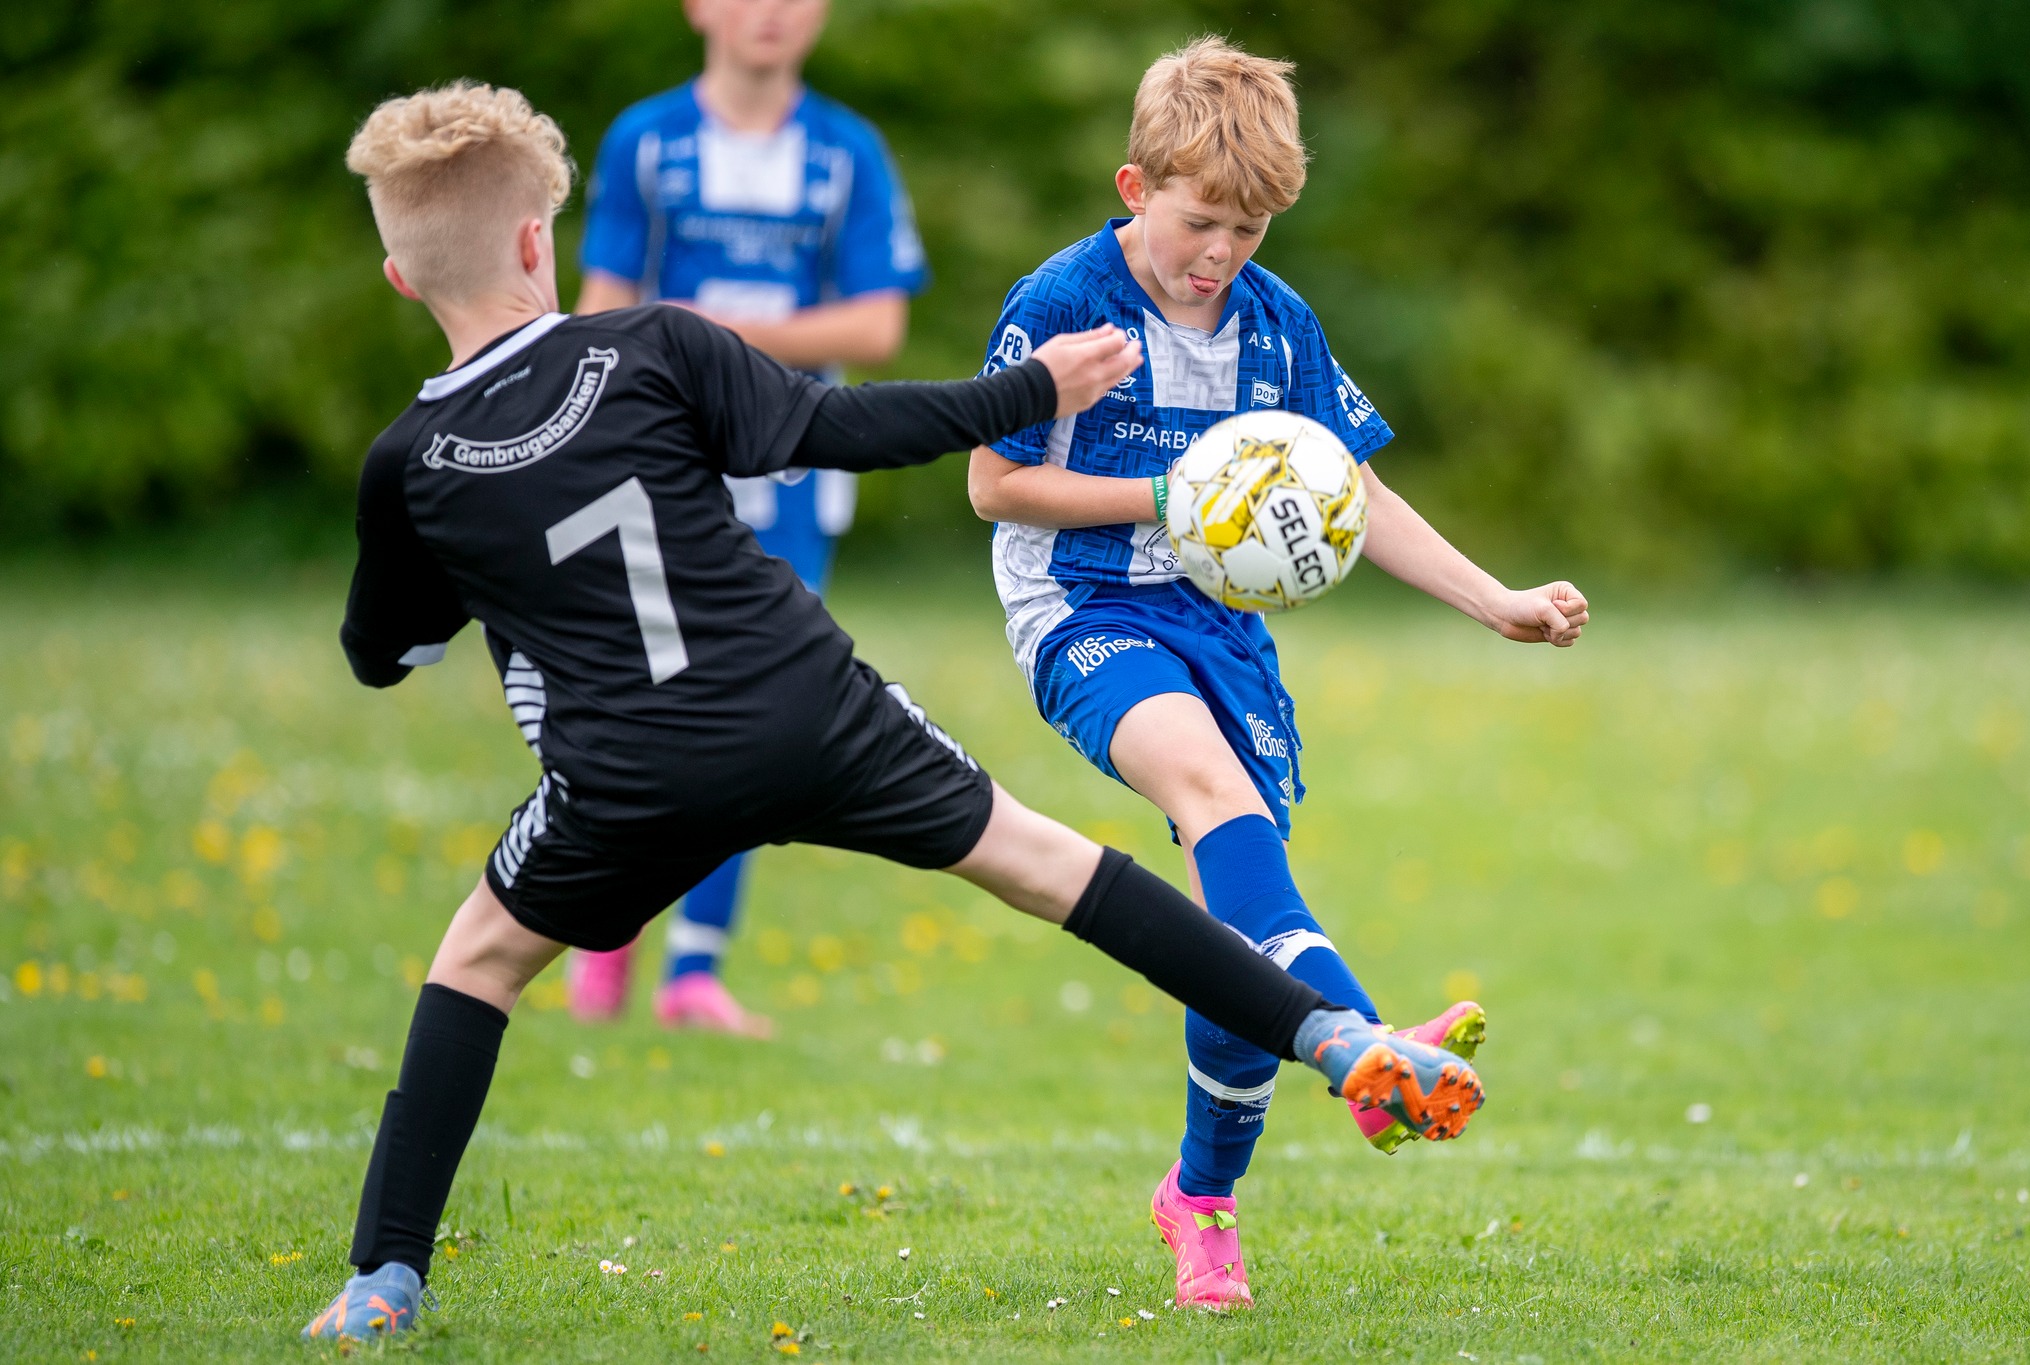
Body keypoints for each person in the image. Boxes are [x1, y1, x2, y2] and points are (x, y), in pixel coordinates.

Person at [305, 80, 1484, 1340]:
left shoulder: (408, 465)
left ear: (399, 276)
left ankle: (384, 1277)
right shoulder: (654, 345)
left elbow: (384, 654)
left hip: (622, 772)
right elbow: (841, 425)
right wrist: (1024, 393)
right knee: (1059, 870)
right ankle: (1331, 1038)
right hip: (805, 705)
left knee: (477, 962)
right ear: (538, 240)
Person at [966, 37, 1586, 1311]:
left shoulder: (1275, 323)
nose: (1219, 254)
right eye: (1198, 223)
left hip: (1222, 626)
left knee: (1242, 907)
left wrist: (1494, 601)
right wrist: (1172, 494)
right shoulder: (1064, 299)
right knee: (1212, 796)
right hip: (1082, 606)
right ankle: (1361, 1040)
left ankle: (1200, 1200)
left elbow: (1352, 487)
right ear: (1135, 188)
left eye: (1246, 231)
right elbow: (991, 483)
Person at [569, 0, 929, 1035]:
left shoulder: (847, 152)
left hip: (792, 480)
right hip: (660, 466)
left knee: (760, 711)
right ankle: (607, 929)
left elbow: (878, 321)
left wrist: (718, 337)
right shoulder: (646, 142)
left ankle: (694, 968)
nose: (770, 11)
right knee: (641, 697)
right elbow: (598, 309)